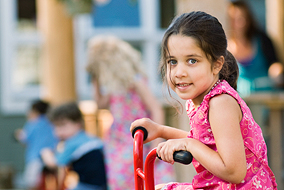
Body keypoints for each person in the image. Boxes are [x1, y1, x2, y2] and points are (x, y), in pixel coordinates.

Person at [130, 11, 277, 189]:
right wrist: (161, 131)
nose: (179, 72)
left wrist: (188, 144)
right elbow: (207, 144)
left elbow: (235, 173)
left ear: (217, 64)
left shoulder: (220, 103)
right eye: (172, 61)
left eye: (192, 61)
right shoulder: (200, 99)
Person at [86, 35, 176, 190]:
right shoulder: (116, 86)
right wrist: (96, 80)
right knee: (121, 182)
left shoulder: (135, 81)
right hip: (118, 138)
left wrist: (157, 142)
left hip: (137, 135)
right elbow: (100, 104)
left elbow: (155, 109)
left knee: (145, 178)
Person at [41, 102, 107, 190]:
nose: (58, 131)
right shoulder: (89, 138)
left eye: (63, 125)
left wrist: (45, 153)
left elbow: (54, 163)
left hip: (90, 186)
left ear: (78, 123)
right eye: (56, 127)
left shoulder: (73, 142)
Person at [227, 0, 283, 96]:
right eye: (234, 19)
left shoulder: (262, 40)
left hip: (265, 96)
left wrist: (276, 71)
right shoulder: (223, 49)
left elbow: (274, 62)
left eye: (242, 18)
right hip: (241, 100)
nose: (240, 24)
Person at [14, 99, 58, 190]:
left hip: (35, 157)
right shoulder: (52, 123)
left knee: (32, 182)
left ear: (35, 112)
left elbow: (24, 138)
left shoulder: (33, 123)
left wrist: (18, 134)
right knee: (54, 180)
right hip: (52, 156)